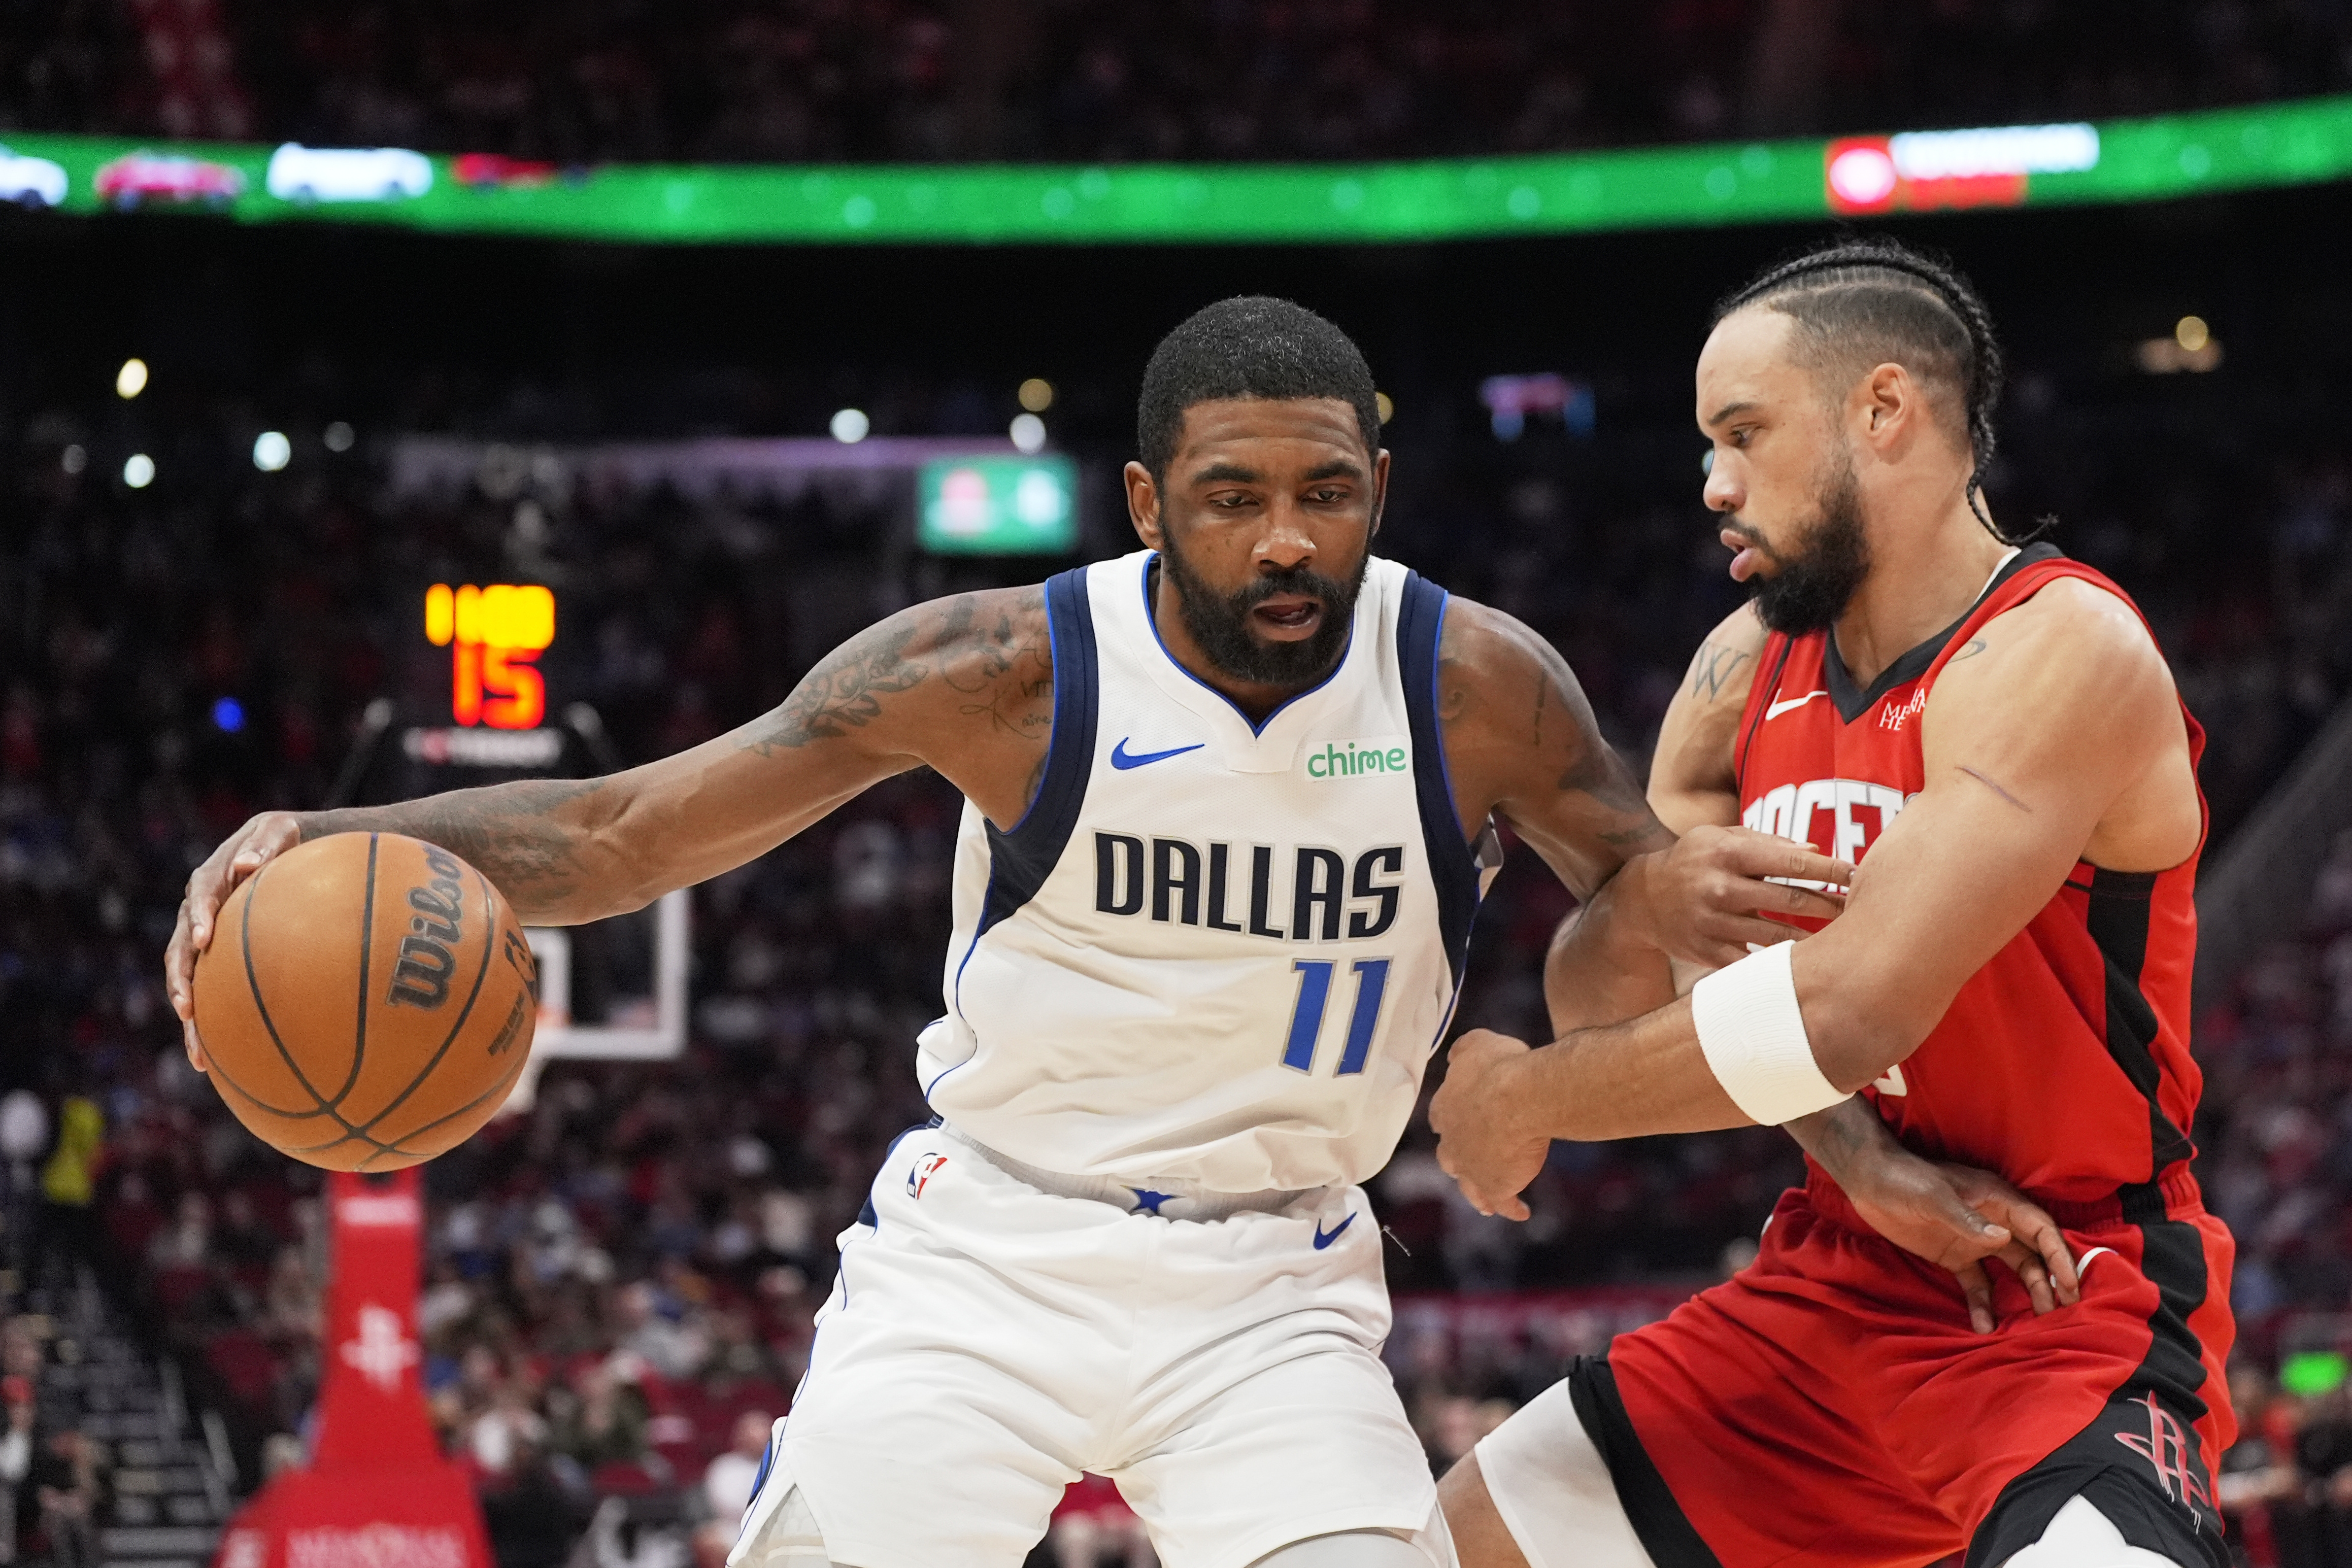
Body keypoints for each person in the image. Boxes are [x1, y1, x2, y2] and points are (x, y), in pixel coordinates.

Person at [167, 296, 2064, 1568]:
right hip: (984, 1256)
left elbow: (1663, 908)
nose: (1284, 540)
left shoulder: (1474, 684)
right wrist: (330, 833)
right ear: (1150, 500)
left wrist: (1855, 1157)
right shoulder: (997, 666)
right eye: (1232, 499)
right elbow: (620, 830)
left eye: (1324, 493)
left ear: (1378, 489)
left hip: (1275, 1288)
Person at [1432, 238, 2238, 1568]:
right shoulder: (1739, 669)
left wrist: (1523, 1101)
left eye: (1744, 435)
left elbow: (1844, 1012)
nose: (1713, 484)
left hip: (2059, 1290)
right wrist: (1846, 1146)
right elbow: (1602, 1003)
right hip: (1833, 1271)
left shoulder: (2059, 649)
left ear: (1882, 410)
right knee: (1448, 1544)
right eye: (1709, 445)